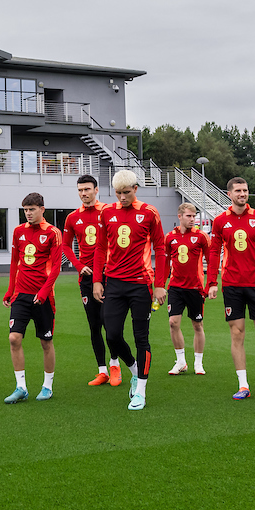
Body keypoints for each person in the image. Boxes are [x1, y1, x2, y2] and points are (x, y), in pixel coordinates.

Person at [92, 170, 166, 411]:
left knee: (140, 337)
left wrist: (160, 286)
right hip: (113, 283)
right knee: (112, 335)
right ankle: (134, 369)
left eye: (126, 192)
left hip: (140, 284)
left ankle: (141, 391)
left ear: (135, 189)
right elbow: (100, 248)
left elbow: (161, 249)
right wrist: (97, 280)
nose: (122, 197)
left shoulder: (149, 213)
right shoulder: (107, 213)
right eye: (118, 193)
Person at [206, 177, 255, 400]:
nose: (242, 194)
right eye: (238, 190)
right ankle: (243, 384)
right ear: (229, 194)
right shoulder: (220, 221)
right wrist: (211, 282)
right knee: (237, 334)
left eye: (245, 190)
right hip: (231, 284)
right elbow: (213, 252)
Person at [2, 194, 62, 404]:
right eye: (25, 210)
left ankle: (47, 386)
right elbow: (14, 263)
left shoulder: (53, 233)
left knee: (46, 342)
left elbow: (56, 267)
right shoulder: (18, 231)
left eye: (32, 209)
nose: (28, 213)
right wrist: (10, 290)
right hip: (21, 294)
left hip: (43, 296)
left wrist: (44, 292)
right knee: (14, 338)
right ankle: (21, 387)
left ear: (42, 209)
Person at [61, 175, 121, 386]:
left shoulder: (109, 211)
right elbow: (65, 246)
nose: (83, 193)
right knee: (94, 325)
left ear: (96, 190)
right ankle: (102, 371)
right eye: (80, 190)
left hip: (109, 275)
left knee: (109, 323)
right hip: (86, 278)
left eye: (87, 189)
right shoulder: (72, 218)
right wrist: (78, 266)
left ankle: (115, 366)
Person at [162, 203, 210, 376]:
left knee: (197, 325)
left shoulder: (202, 236)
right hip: (175, 287)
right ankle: (181, 361)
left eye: (194, 216)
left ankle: (198, 362)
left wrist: (210, 284)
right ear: (179, 216)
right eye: (189, 216)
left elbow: (211, 260)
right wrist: (160, 285)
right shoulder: (169, 237)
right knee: (173, 323)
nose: (192, 219)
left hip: (195, 287)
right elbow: (165, 262)